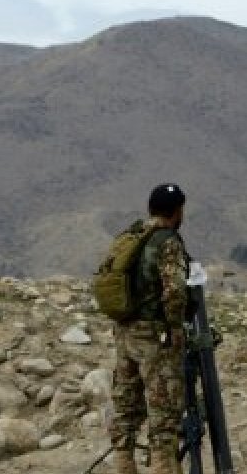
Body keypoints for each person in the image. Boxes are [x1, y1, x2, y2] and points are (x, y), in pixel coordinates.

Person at [107, 184, 190, 474]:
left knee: (126, 405)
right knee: (164, 410)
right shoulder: (167, 241)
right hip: (153, 336)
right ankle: (163, 467)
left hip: (124, 331)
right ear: (177, 211)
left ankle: (123, 465)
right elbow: (175, 290)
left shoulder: (131, 236)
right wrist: (175, 327)